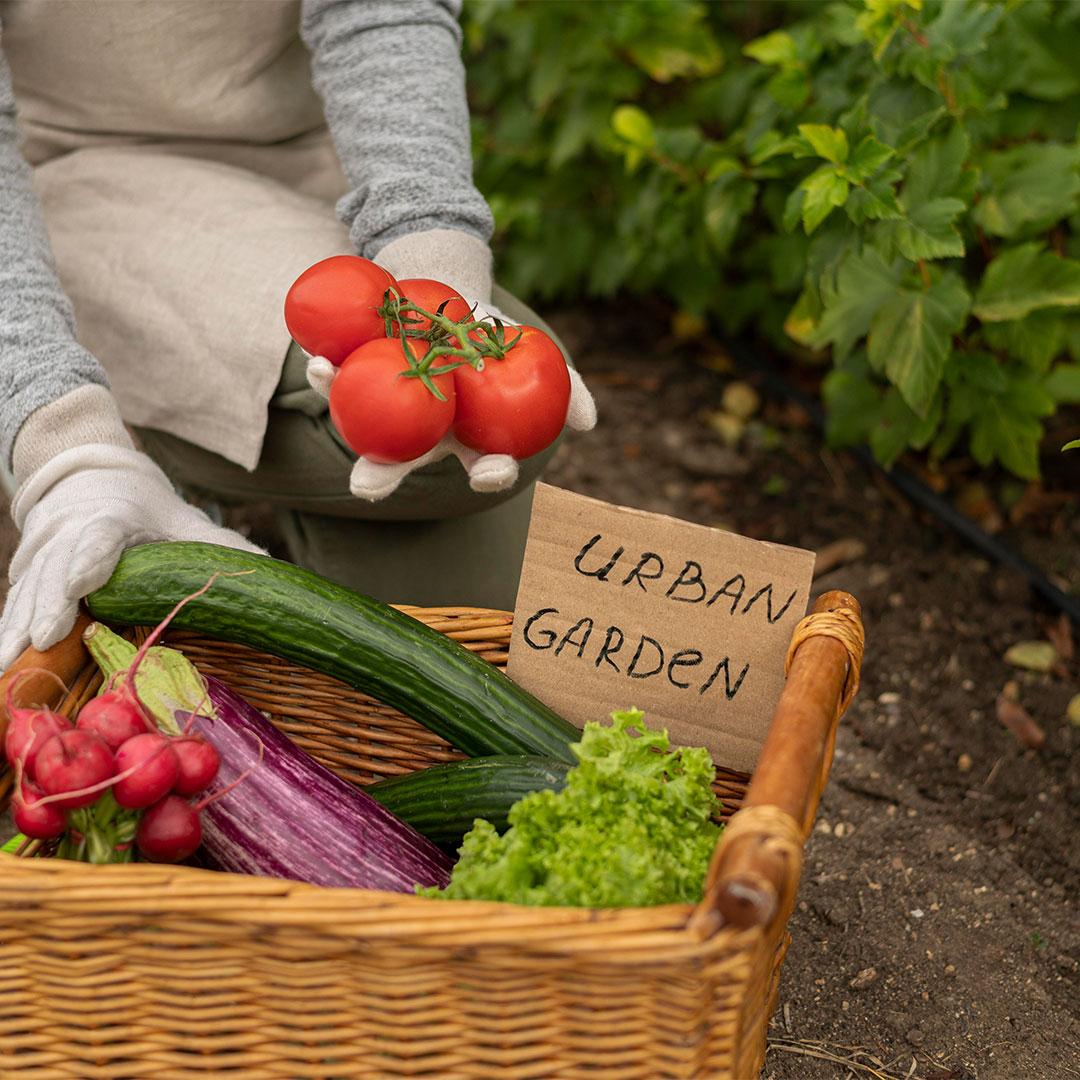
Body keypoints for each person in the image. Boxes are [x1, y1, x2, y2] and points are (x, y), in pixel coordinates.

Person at [0, 0, 594, 671]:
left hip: (324, 162)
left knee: (499, 654)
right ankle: (150, 438)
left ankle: (208, 439)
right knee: (439, 484)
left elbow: (381, 14)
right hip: (74, 186)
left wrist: (436, 269)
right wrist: (65, 444)